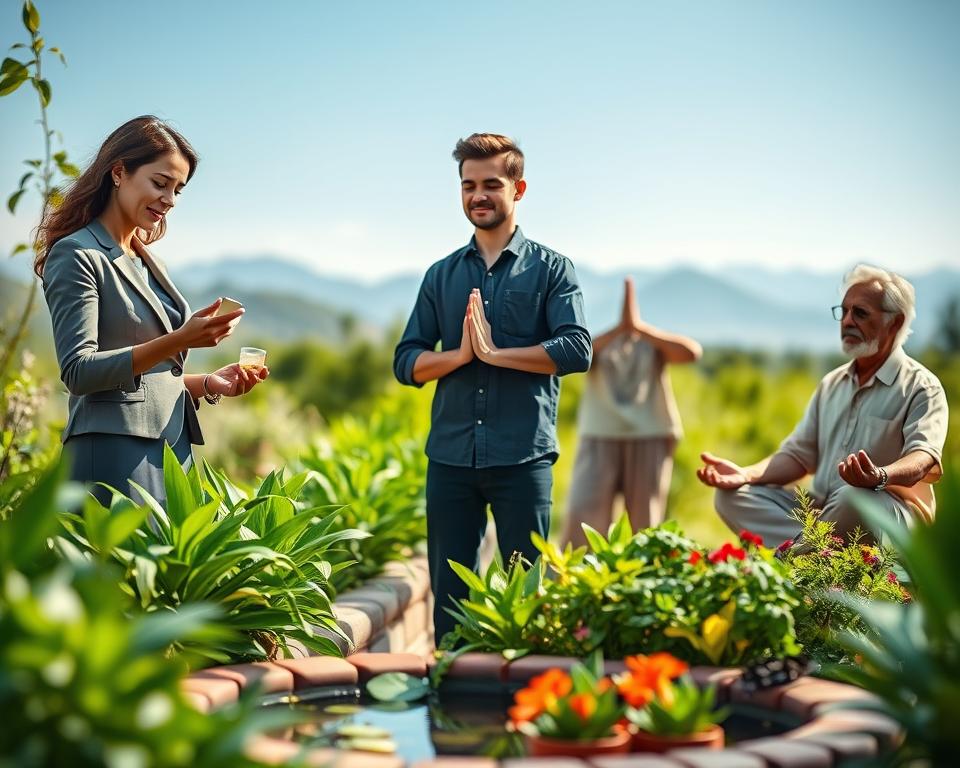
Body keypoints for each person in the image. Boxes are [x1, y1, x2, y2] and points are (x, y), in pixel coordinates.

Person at [393, 133, 592, 641]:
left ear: (518, 189)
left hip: (523, 459)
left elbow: (576, 350)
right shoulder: (440, 276)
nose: (477, 195)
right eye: (468, 185)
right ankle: (448, 697)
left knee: (525, 596)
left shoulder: (552, 269)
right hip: (451, 459)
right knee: (449, 598)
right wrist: (459, 355)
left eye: (490, 184)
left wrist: (495, 355)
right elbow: (406, 361)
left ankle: (518, 697)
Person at [38, 115, 268, 507]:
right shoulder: (77, 255)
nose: (170, 199)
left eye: (178, 190)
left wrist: (209, 383)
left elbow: (153, 377)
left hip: (170, 450)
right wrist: (181, 338)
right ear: (118, 172)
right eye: (160, 183)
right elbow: (78, 371)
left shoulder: (148, 260)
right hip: (112, 452)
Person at [697, 264, 949, 546]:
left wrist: (879, 476)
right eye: (844, 312)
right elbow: (798, 456)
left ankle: (797, 560)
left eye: (860, 313)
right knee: (733, 495)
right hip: (826, 513)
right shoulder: (832, 383)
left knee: (853, 496)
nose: (847, 321)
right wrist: (746, 474)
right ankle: (813, 556)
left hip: (885, 517)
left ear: (895, 322)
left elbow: (923, 458)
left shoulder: (921, 386)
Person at [562, 276, 701, 545]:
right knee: (584, 517)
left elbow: (691, 353)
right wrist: (620, 329)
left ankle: (642, 581)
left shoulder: (655, 345)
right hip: (599, 434)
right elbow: (573, 359)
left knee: (644, 522)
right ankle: (576, 581)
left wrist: (639, 328)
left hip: (650, 434)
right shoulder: (595, 345)